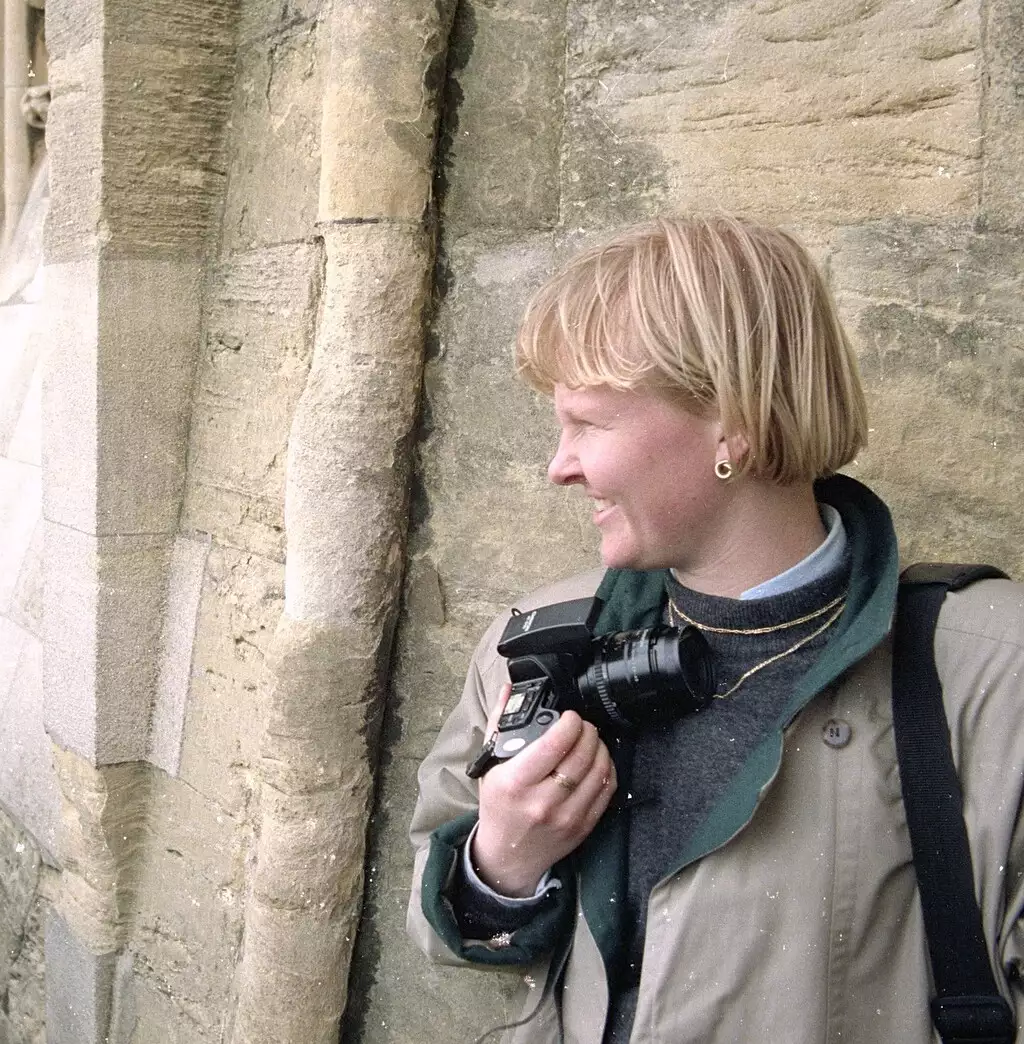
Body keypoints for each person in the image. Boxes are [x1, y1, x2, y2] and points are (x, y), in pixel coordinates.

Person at [407, 215, 1024, 1042]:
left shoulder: (990, 671)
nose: (559, 465)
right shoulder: (534, 641)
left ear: (731, 422)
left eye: (588, 423)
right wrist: (502, 867)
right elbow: (447, 920)